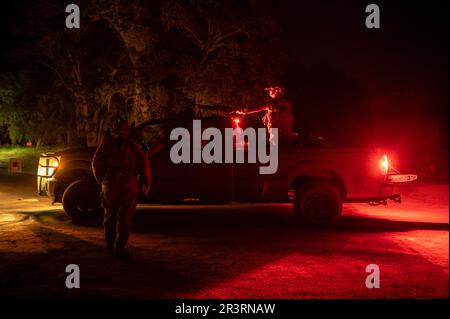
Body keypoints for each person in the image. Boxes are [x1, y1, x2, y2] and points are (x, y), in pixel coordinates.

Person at [92, 118, 151, 257]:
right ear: (127, 130)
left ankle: (110, 246)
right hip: (127, 184)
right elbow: (145, 160)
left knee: (110, 216)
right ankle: (120, 246)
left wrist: (102, 181)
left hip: (111, 184)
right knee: (125, 217)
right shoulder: (134, 145)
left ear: (113, 130)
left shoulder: (105, 145)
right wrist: (146, 182)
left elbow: (95, 164)